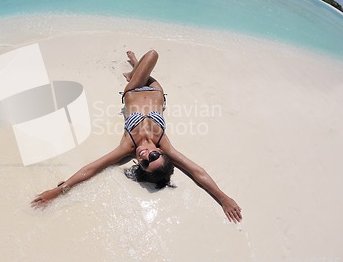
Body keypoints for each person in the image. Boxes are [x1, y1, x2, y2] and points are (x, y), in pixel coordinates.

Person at [31, 50, 242, 223]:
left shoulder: (128, 146)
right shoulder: (164, 144)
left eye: (143, 163)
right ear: (159, 152)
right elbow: (197, 171)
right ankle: (134, 66)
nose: (144, 155)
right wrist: (223, 198)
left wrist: (59, 191)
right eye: (152, 157)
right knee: (152, 54)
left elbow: (92, 168)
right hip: (155, 89)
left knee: (150, 57)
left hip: (133, 90)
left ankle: (134, 72)